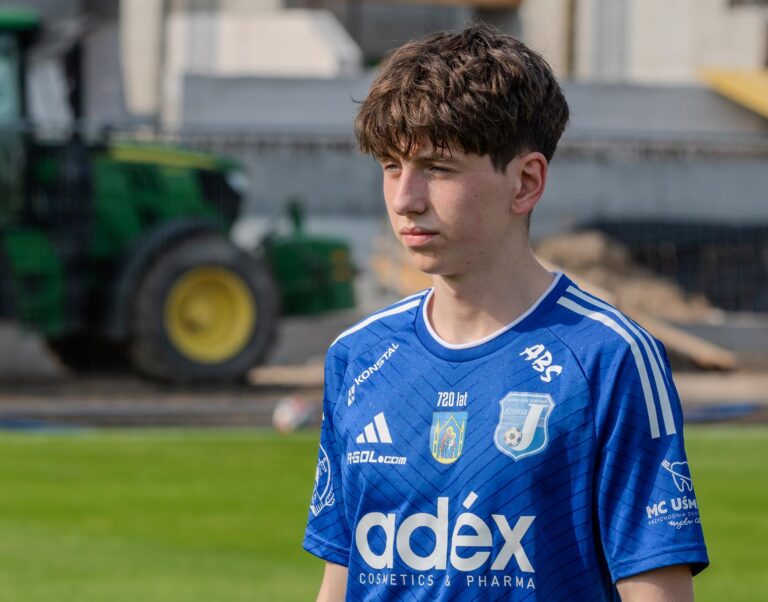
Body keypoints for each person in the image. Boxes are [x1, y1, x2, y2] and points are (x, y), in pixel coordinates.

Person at [304, 25, 708, 601]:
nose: (404, 199)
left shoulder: (609, 359)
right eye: (391, 166)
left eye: (437, 168)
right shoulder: (358, 356)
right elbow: (341, 581)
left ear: (525, 182)